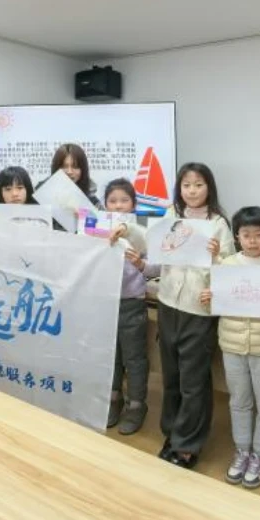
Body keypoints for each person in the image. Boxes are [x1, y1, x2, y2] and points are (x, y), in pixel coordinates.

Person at [199, 206, 260, 489]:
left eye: (259, 234)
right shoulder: (227, 265)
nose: (252, 240)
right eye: (246, 234)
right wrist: (208, 299)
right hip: (232, 345)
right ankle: (242, 451)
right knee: (239, 402)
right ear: (237, 237)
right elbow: (212, 306)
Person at [151, 162, 234, 468]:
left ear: (209, 187)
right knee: (171, 376)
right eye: (186, 185)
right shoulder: (170, 216)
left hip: (198, 310)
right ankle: (172, 433)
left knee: (193, 379)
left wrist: (215, 255)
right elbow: (157, 255)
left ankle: (188, 444)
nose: (192, 190)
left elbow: (231, 268)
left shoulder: (218, 223)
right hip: (168, 302)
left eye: (198, 184)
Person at [101, 178, 151, 435]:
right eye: (112, 201)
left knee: (134, 358)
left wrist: (139, 261)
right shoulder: (97, 228)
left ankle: (136, 405)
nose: (118, 205)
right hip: (104, 301)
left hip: (132, 302)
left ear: (133, 204)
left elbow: (152, 260)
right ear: (104, 204)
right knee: (111, 356)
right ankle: (113, 399)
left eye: (124, 200)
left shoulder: (141, 231)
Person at [46, 143, 103, 208]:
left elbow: (100, 214)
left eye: (75, 167)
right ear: (56, 168)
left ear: (83, 169)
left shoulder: (92, 200)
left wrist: (80, 211)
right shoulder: (42, 191)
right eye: (64, 166)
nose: (69, 172)